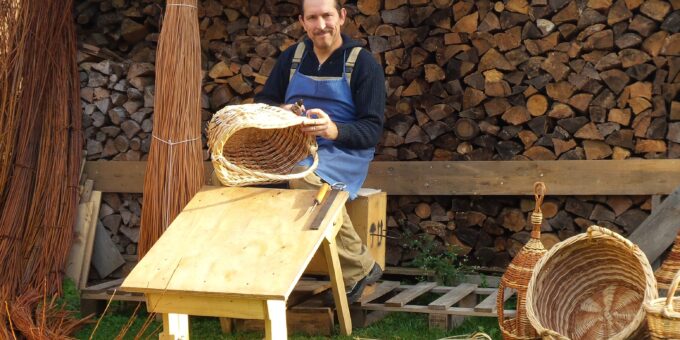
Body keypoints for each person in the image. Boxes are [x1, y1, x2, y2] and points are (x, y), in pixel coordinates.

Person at [254, 0, 386, 303]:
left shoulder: (362, 63)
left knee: (303, 178)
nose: (321, 25)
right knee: (240, 178)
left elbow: (371, 130)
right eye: (312, 18)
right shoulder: (292, 57)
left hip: (344, 153)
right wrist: (284, 110)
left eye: (327, 16)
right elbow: (263, 103)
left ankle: (357, 267)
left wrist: (332, 129)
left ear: (341, 16)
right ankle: (257, 275)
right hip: (292, 150)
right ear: (303, 22)